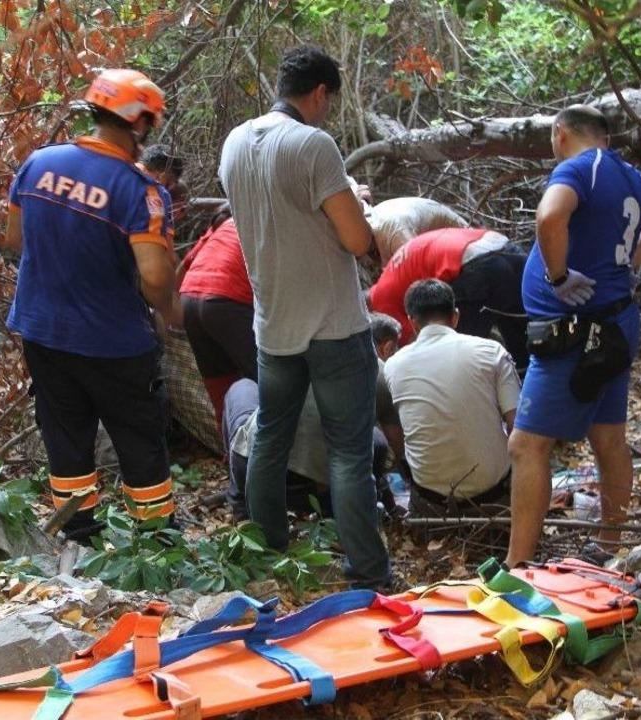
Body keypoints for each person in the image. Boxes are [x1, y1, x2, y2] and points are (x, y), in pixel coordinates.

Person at [218, 45, 390, 589]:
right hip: (335, 326)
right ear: (319, 93)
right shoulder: (314, 145)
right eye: (328, 102)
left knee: (271, 434)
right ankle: (367, 568)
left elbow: (282, 215)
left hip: (273, 324)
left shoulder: (235, 143)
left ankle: (269, 550)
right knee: (348, 450)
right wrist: (358, 204)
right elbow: (357, 238)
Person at [3, 69, 182, 538]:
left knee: (65, 436)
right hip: (114, 341)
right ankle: (156, 540)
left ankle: (79, 533)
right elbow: (155, 276)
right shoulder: (139, 190)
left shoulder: (39, 163)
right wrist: (170, 315)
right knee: (139, 439)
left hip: (42, 330)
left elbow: (14, 238)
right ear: (139, 123)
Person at [505, 105, 641, 567]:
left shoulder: (578, 168)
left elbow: (549, 218)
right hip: (616, 321)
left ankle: (516, 566)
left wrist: (559, 276)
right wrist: (627, 264)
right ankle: (611, 546)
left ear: (561, 134)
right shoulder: (632, 177)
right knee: (608, 439)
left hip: (575, 332)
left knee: (526, 447)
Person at [224, 314, 403, 521]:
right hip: (326, 492)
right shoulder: (378, 373)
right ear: (385, 347)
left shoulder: (294, 350)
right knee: (375, 441)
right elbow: (396, 448)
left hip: (261, 473)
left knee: (241, 389)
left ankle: (240, 503)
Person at [382, 280, 520, 517]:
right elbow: (519, 427)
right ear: (455, 316)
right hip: (495, 499)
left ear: (412, 323)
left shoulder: (393, 365)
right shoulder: (491, 351)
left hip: (431, 504)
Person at [366, 227, 530, 369]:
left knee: (456, 359)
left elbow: (412, 348)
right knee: (526, 351)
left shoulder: (381, 302)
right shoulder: (391, 276)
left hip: (474, 266)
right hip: (504, 247)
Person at [178, 205, 256, 428]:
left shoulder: (217, 231)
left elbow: (184, 267)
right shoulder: (258, 224)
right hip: (227, 299)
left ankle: (230, 450)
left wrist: (171, 308)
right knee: (267, 379)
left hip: (189, 298)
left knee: (218, 379)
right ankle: (272, 453)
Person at [368, 196, 469, 263]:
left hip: (462, 248)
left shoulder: (393, 230)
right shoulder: (372, 226)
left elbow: (416, 266)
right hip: (436, 252)